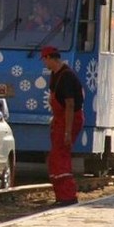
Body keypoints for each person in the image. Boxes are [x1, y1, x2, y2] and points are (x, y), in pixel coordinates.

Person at [41, 45, 84, 206]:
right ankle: (61, 195)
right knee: (55, 157)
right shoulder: (55, 74)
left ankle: (68, 196)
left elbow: (70, 105)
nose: (44, 63)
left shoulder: (66, 76)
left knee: (61, 156)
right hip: (60, 119)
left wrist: (67, 131)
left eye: (45, 60)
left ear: (50, 58)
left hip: (70, 119)